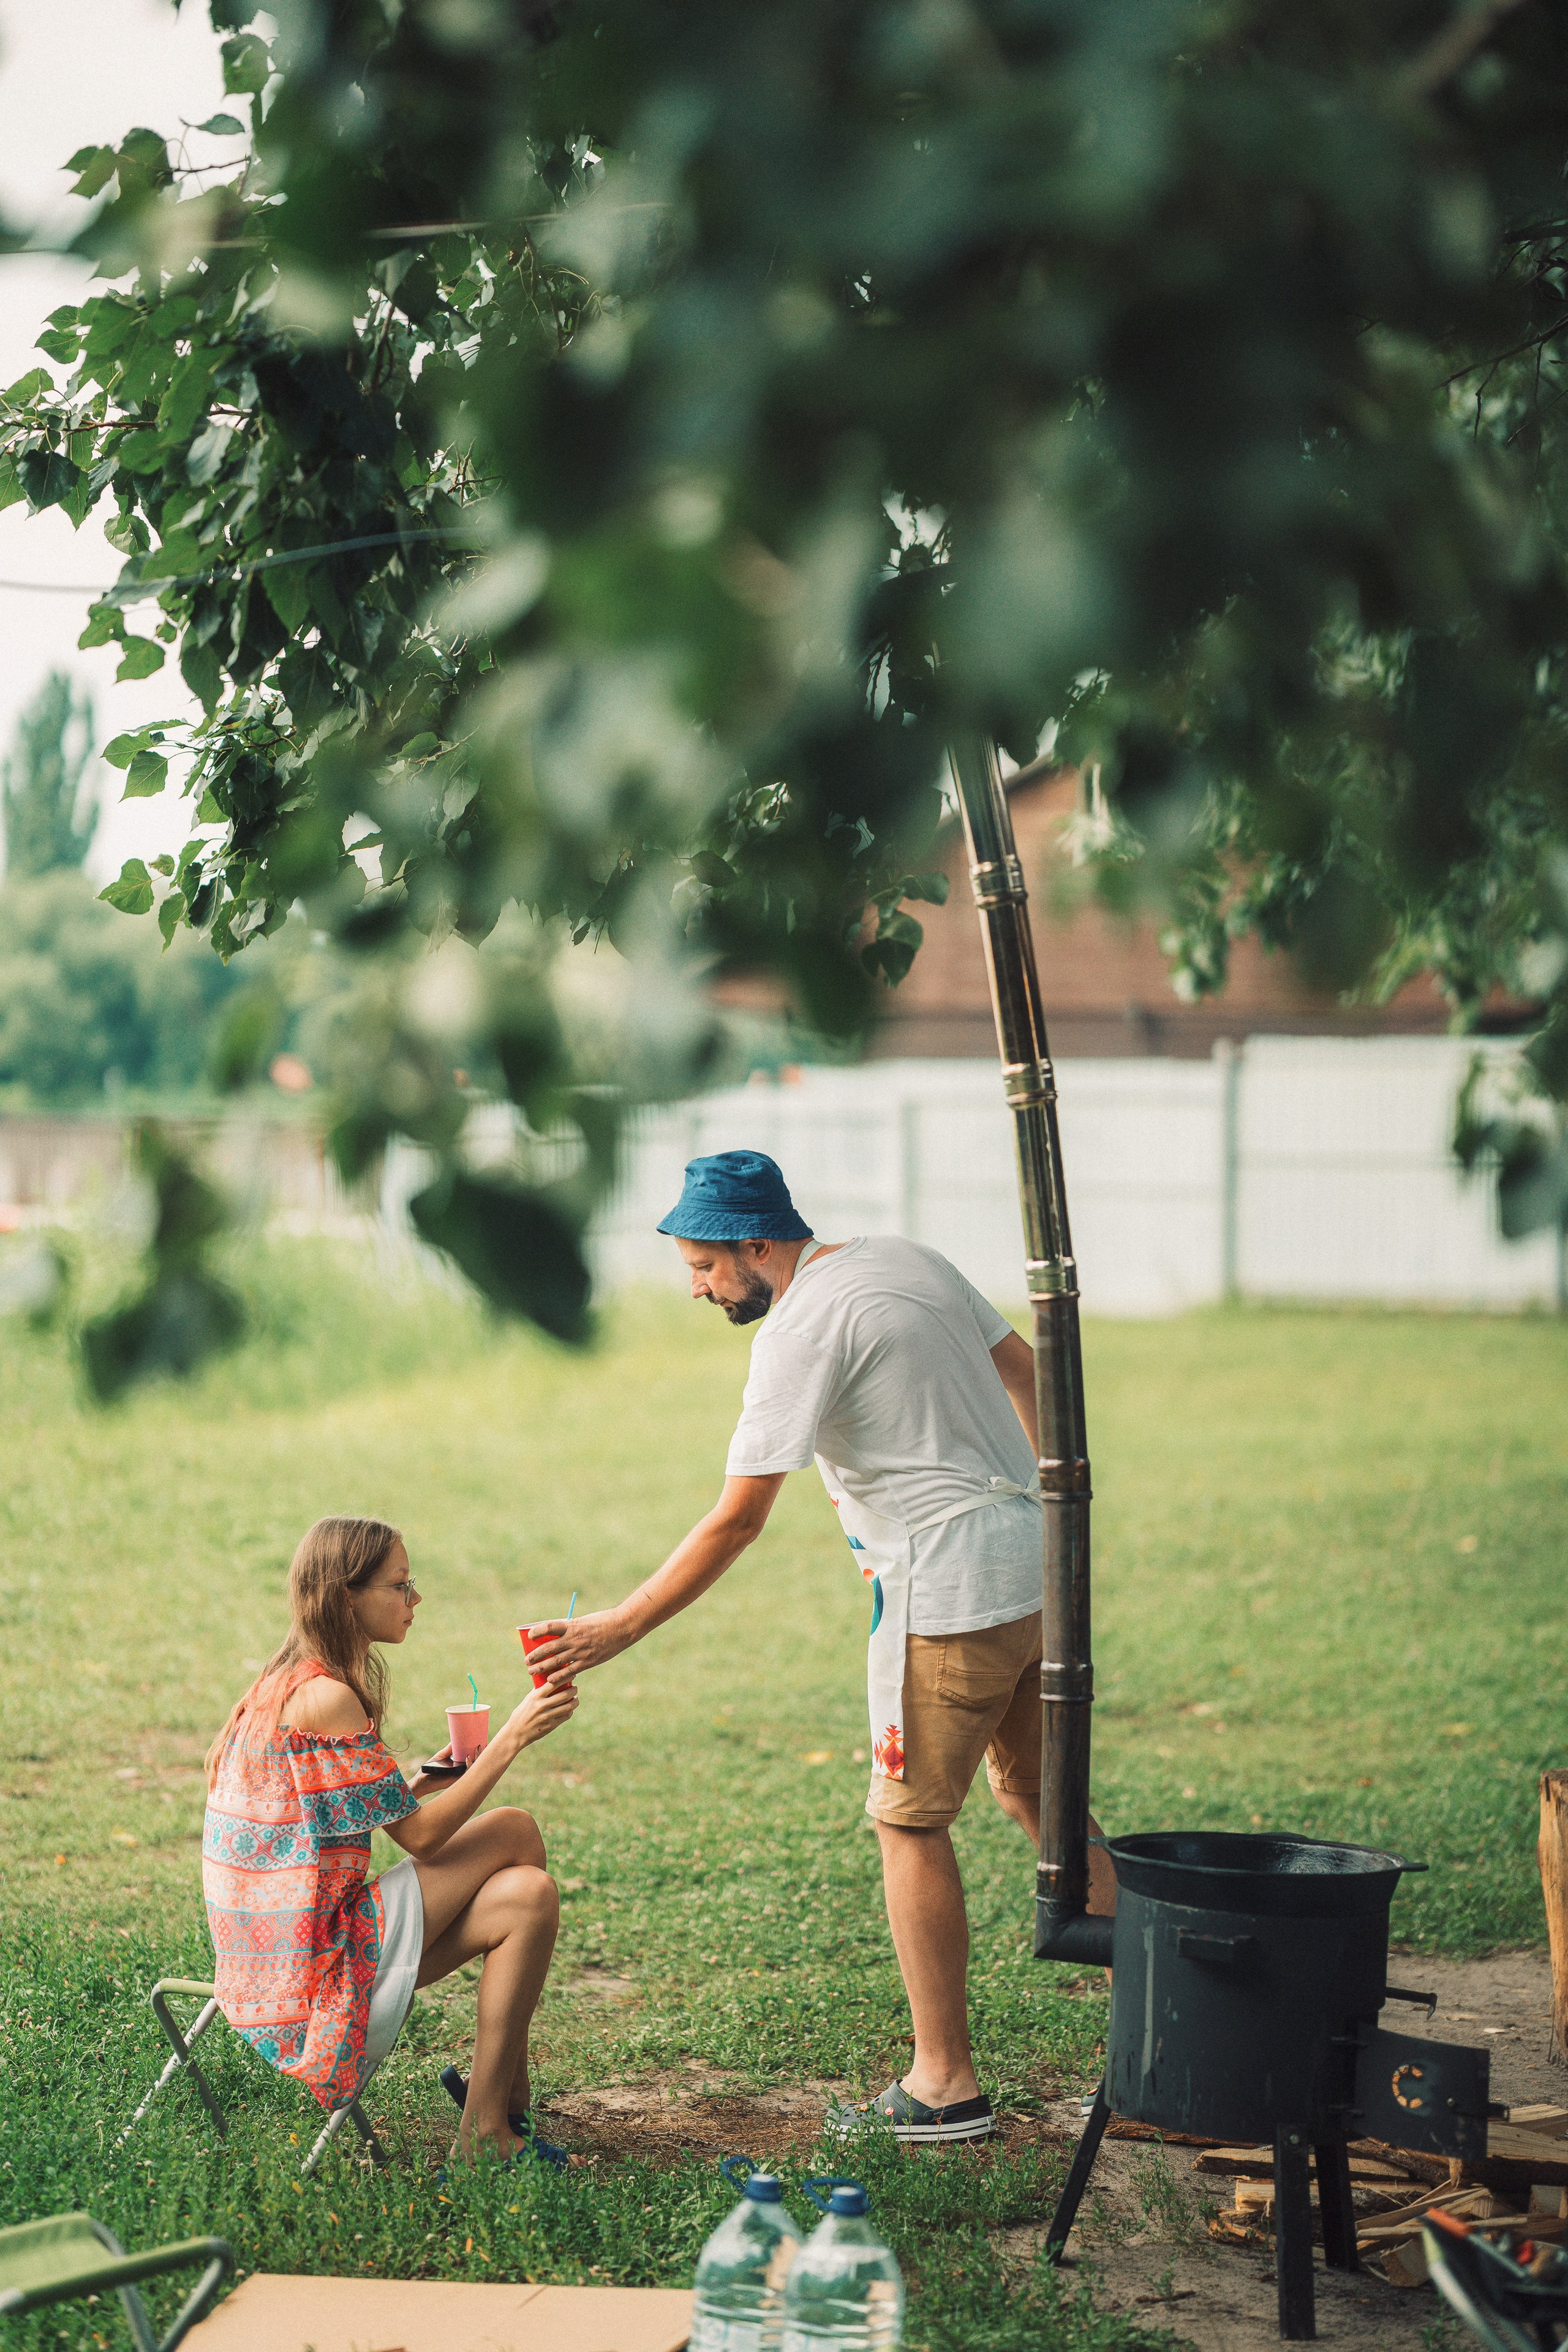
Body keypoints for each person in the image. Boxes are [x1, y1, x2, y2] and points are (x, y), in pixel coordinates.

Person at [526, 1149, 1116, 2146]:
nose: (700, 1289)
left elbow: (737, 1520)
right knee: (1036, 1797)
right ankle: (1162, 2032)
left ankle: (943, 2084)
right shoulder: (907, 1258)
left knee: (910, 1824)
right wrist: (1048, 1519)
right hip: (1032, 1577)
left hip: (943, 1596)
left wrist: (619, 1625)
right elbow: (1027, 1371)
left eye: (706, 1268)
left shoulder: (798, 1330)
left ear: (759, 1243)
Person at [203, 1513, 576, 2163]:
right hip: (312, 1981)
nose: (415, 1599)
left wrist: (429, 1777)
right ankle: (500, 2113)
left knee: (528, 1895)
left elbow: (341, 1810)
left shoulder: (280, 1686)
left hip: (278, 1965)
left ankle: (495, 2119)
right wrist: (514, 1735)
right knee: (516, 1828)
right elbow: (424, 1841)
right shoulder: (325, 1697)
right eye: (400, 1585)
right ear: (346, 1595)